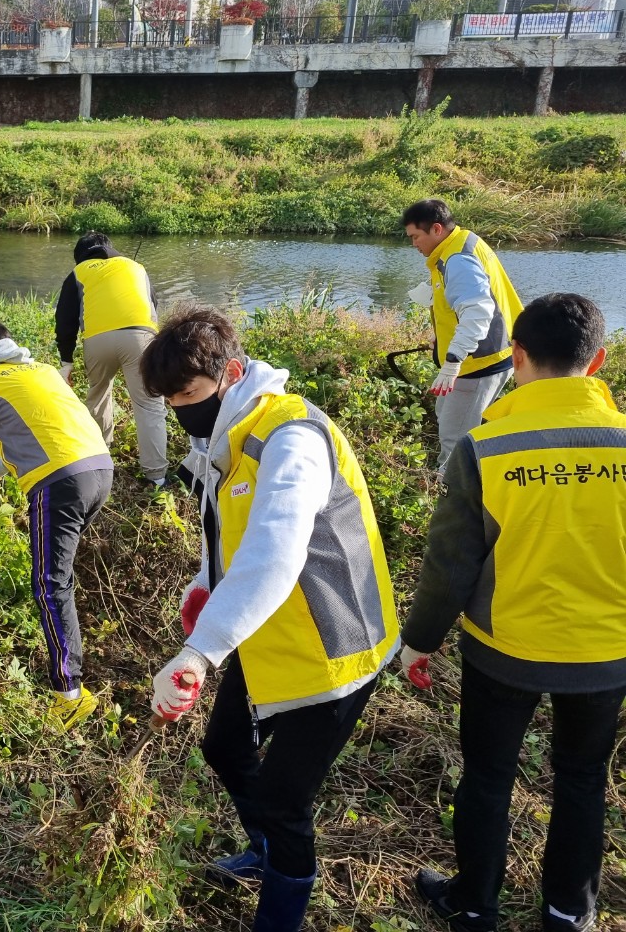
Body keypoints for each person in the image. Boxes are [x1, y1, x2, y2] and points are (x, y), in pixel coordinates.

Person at [141, 305, 399, 932]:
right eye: (170, 400)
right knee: (226, 748)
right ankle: (265, 852)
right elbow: (227, 532)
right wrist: (203, 586)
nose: (180, 408)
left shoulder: (290, 438)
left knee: (286, 801)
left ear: (231, 371)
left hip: (335, 645)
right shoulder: (223, 435)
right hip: (271, 636)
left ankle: (280, 910)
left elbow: (275, 549)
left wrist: (201, 652)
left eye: (190, 393)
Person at [399, 293, 625, 932]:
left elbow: (450, 564)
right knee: (583, 780)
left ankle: (473, 904)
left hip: (505, 651)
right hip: (605, 655)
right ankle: (567, 911)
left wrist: (420, 642)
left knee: (489, 777)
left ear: (516, 355)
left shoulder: (486, 445)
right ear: (599, 361)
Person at [0, 321, 113, 731]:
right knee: (59, 581)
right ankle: (70, 666)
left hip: (60, 483)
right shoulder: (43, 372)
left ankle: (69, 695)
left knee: (50, 584)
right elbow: (44, 438)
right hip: (100, 470)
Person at [402, 199, 523, 474]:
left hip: (479, 363)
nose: (413, 244)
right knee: (447, 417)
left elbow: (478, 313)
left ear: (436, 229)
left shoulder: (457, 260)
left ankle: (449, 494)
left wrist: (454, 359)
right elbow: (461, 305)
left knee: (455, 439)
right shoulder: (463, 242)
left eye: (415, 237)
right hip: (486, 356)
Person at [55, 232, 168, 487]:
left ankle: (100, 460)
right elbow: (154, 304)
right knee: (149, 406)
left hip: (97, 341)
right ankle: (157, 478)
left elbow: (65, 319)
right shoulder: (136, 266)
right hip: (140, 337)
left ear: (79, 256)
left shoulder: (79, 272)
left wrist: (66, 362)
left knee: (99, 395)